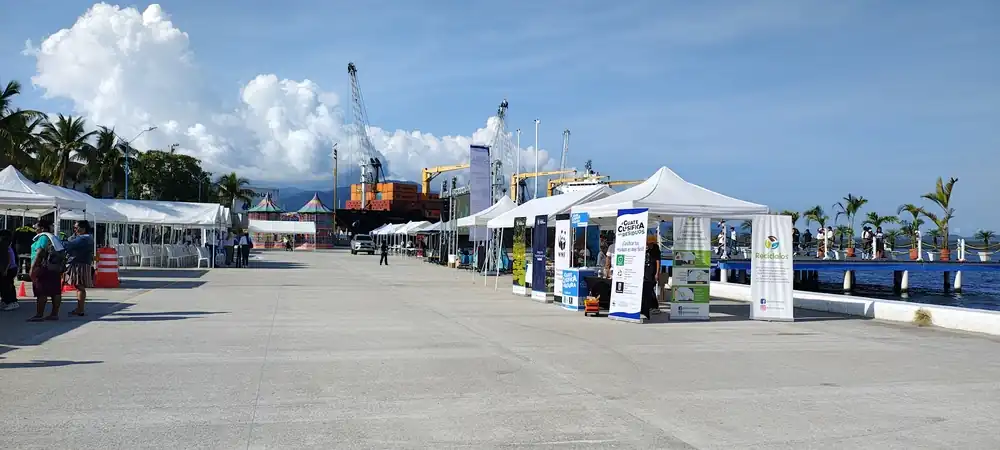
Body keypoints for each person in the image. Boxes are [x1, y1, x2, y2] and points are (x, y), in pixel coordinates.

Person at [28, 220, 64, 321]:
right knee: (55, 291)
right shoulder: (54, 237)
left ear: (42, 228)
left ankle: (39, 315)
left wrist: (32, 268)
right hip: (54, 268)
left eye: (36, 228)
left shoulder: (43, 237)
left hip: (43, 268)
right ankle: (54, 314)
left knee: (41, 292)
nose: (35, 229)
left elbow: (39, 252)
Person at [63, 220, 95, 316]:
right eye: (74, 228)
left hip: (80, 264)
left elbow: (69, 245)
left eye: (77, 228)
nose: (75, 230)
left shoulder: (84, 238)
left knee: (80, 286)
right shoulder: (85, 237)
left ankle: (80, 309)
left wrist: (60, 241)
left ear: (83, 228)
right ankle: (79, 308)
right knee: (79, 286)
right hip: (82, 263)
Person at [643, 235, 662, 318]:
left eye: (649, 243)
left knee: (650, 288)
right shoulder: (647, 250)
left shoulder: (655, 250)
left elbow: (658, 262)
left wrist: (657, 273)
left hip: (652, 272)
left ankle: (655, 306)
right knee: (647, 289)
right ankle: (651, 305)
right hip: (646, 272)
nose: (648, 245)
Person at [0, 230, 20, 311]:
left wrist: (5, 270)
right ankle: (7, 301)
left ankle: (11, 302)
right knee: (8, 285)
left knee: (6, 286)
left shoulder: (4, 245)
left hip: (9, 269)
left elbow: (7, 260)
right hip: (12, 268)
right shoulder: (9, 245)